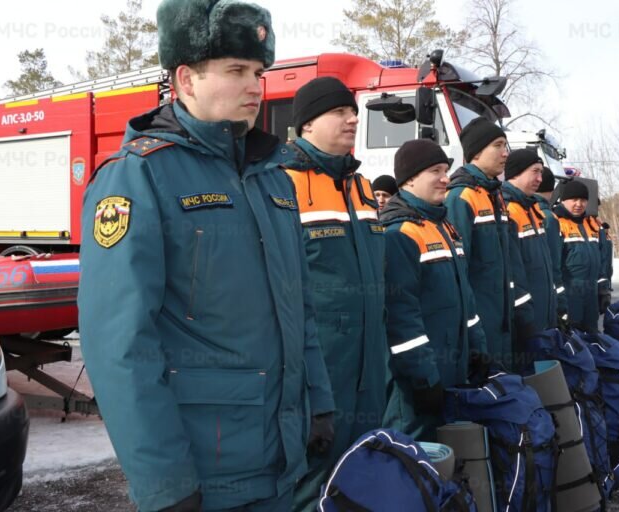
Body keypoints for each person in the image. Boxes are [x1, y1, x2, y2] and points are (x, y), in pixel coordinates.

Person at [78, 2, 335, 510]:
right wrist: (164, 483)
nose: (255, 87)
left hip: (281, 463)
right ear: (185, 79)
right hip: (205, 472)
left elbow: (299, 307)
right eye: (236, 71)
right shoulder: (139, 177)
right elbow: (120, 347)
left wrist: (319, 403)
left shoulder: (271, 177)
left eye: (259, 72)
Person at [283, 76, 389, 511]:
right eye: (339, 112)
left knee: (359, 474)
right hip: (318, 369)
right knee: (310, 482)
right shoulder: (282, 183)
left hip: (369, 368)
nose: (352, 119)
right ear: (307, 124)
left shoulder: (361, 188)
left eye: (353, 112)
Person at [381, 139, 488, 441]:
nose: (446, 178)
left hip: (451, 369)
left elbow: (465, 296)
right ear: (410, 178)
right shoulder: (399, 233)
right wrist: (423, 379)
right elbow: (401, 317)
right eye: (436, 171)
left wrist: (477, 346)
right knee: (413, 460)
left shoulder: (444, 227)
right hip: (417, 384)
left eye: (446, 170)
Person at [444, 117, 527, 371]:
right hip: (480, 323)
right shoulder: (461, 197)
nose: (505, 153)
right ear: (477, 151)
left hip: (501, 321)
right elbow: (459, 270)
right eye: (498, 145)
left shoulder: (494, 195)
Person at [502, 149, 558, 357]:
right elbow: (513, 272)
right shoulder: (508, 209)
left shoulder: (532, 209)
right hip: (526, 317)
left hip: (543, 313)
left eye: (541, 173)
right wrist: (524, 315)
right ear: (516, 172)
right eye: (535, 172)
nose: (540, 179)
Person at [553, 180, 603, 331]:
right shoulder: (557, 223)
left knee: (592, 336)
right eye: (574, 200)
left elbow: (602, 259)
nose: (578, 204)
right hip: (570, 295)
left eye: (583, 200)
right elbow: (554, 265)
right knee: (571, 339)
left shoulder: (591, 224)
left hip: (590, 295)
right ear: (563, 201)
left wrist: (603, 289)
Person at [534, 167, 569, 328]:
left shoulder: (517, 210)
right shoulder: (548, 218)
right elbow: (554, 263)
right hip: (545, 296)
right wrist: (561, 305)